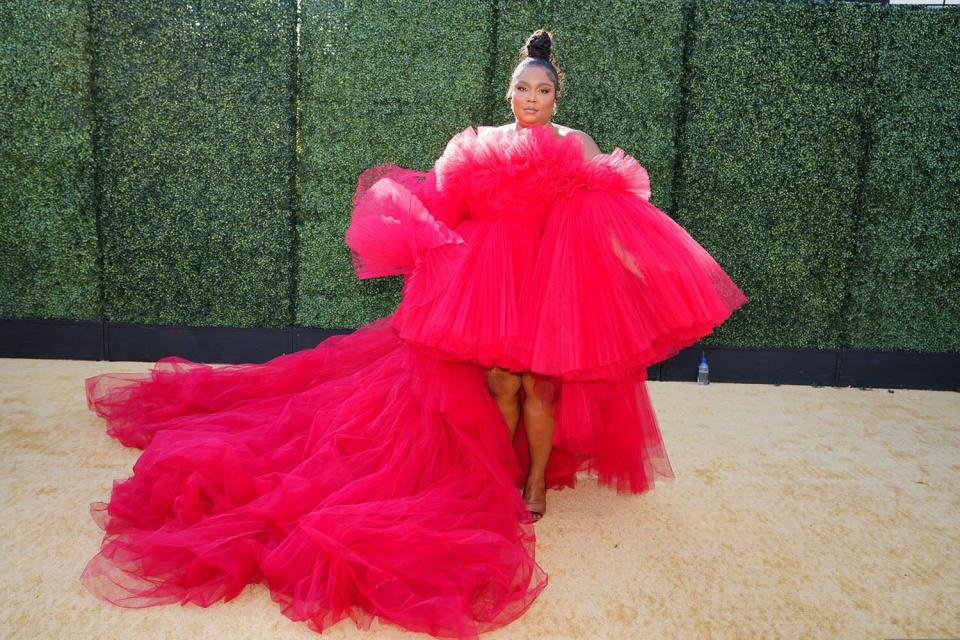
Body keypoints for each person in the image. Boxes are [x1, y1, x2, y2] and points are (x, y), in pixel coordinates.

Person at [80, 28, 747, 640]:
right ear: (509, 90)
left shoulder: (575, 145)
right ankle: (505, 470)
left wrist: (637, 269)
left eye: (543, 90)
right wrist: (422, 244)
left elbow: (611, 210)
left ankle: (536, 482)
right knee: (497, 381)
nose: (531, 99)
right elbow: (440, 204)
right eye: (522, 87)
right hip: (482, 283)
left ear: (557, 95)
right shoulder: (473, 143)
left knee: (540, 382)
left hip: (544, 285)